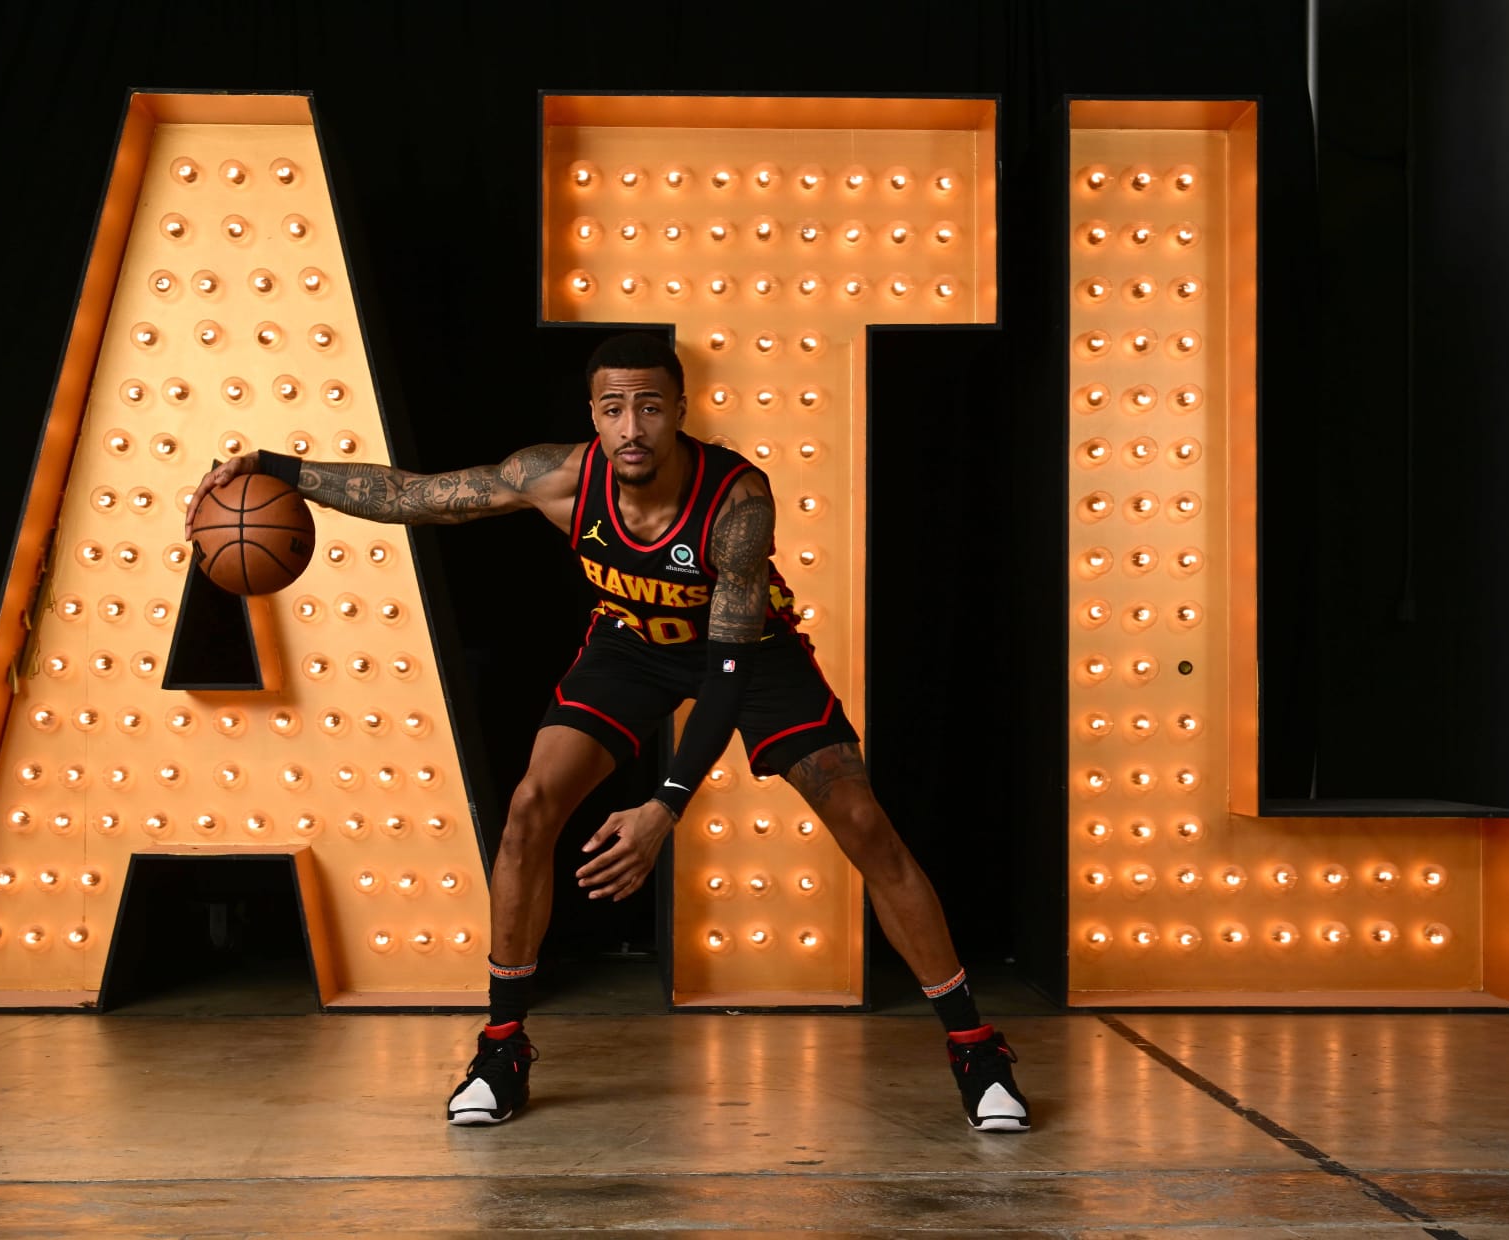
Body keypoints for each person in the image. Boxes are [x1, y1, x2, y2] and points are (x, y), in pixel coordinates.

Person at [186, 333, 1030, 1133]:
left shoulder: (736, 501)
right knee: (528, 811)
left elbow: (726, 676)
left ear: (681, 409)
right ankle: (502, 1049)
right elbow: (417, 495)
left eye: (651, 407)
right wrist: (275, 467)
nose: (633, 426)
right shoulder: (557, 478)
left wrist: (665, 804)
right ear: (593, 415)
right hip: (630, 646)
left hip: (749, 657)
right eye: (615, 408)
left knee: (863, 824)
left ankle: (974, 1050)